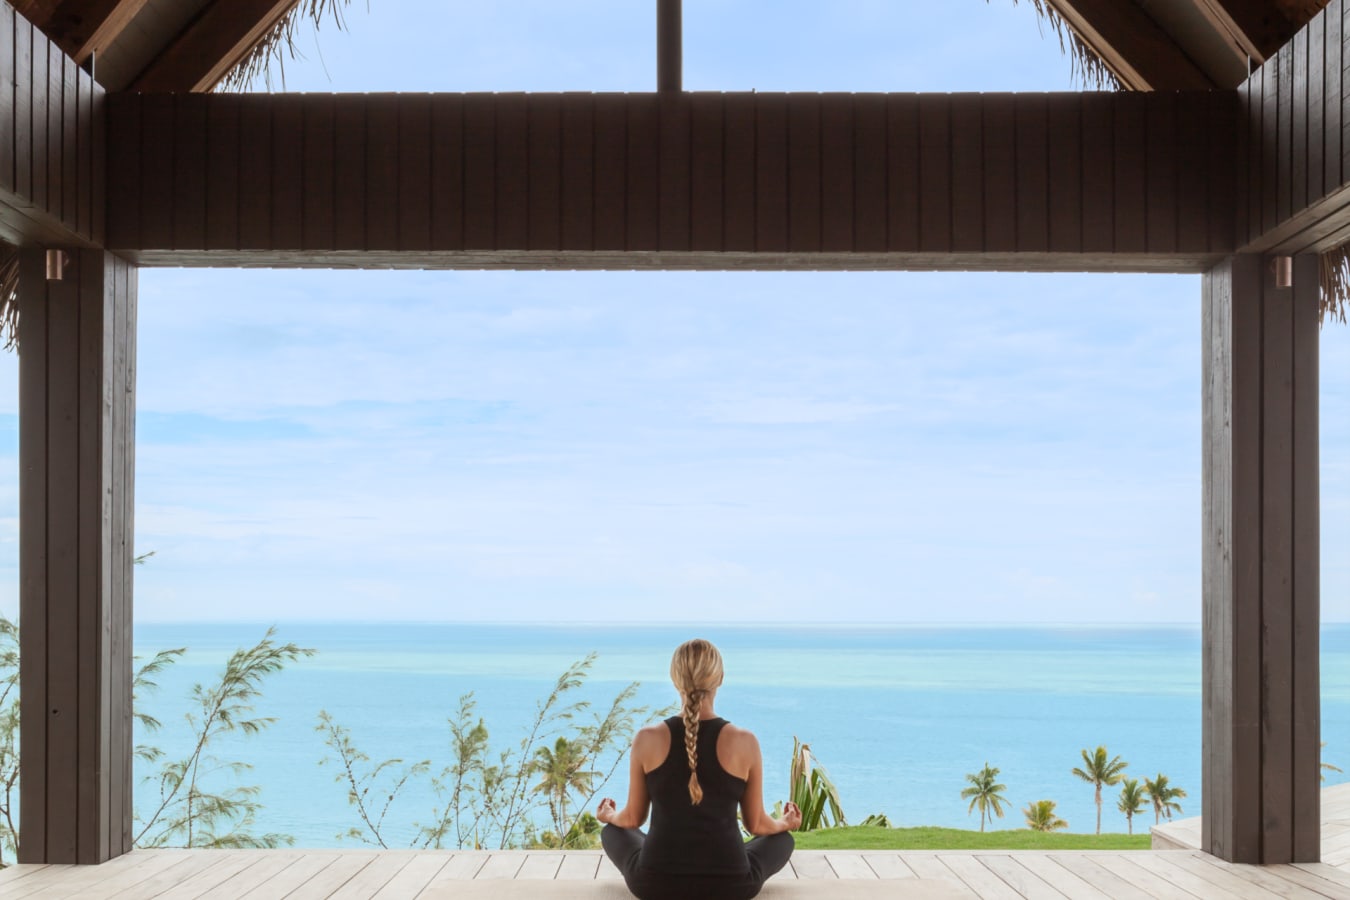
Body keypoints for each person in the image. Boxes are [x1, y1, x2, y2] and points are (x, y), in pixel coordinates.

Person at [596, 638, 800, 900]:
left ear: (674, 679)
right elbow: (757, 824)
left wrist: (609, 815)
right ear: (721, 678)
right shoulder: (744, 741)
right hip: (731, 886)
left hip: (654, 884)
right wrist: (785, 823)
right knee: (783, 840)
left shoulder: (646, 738)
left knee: (614, 831)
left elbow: (632, 820)